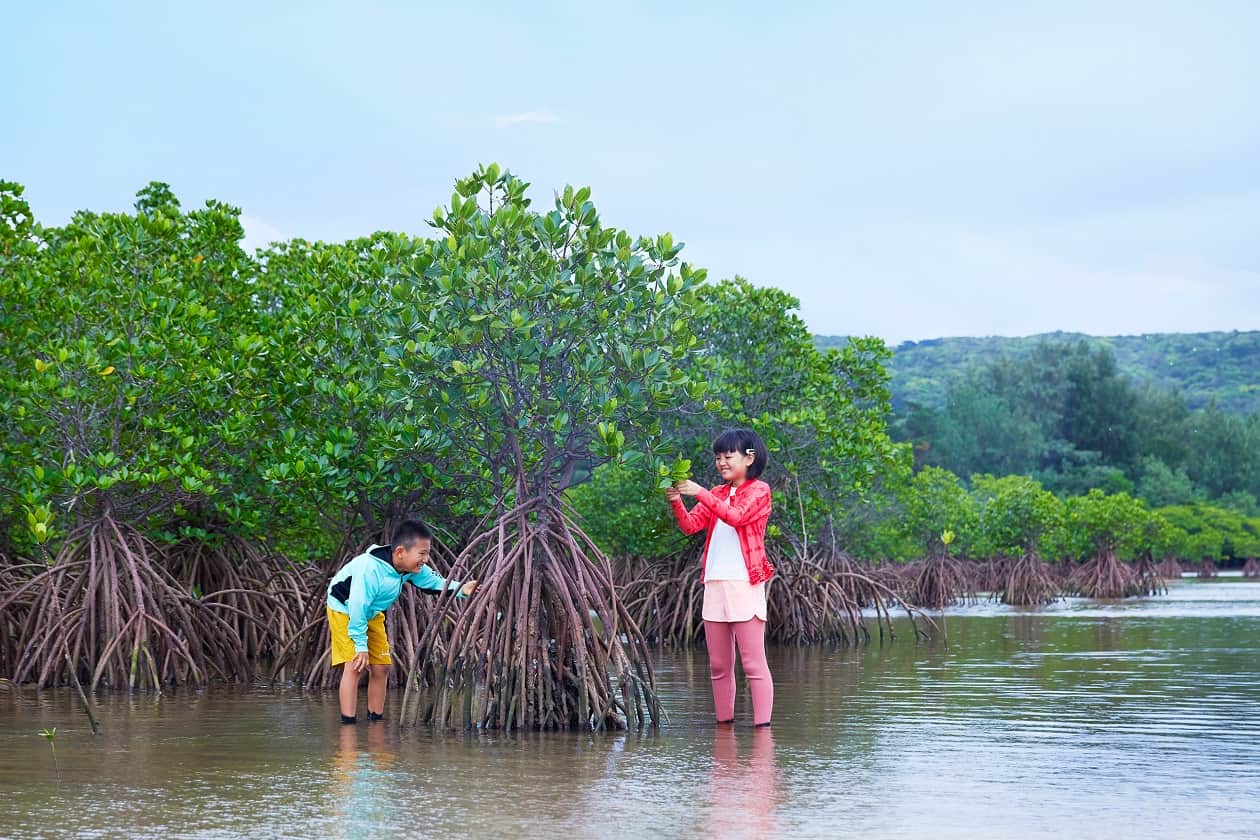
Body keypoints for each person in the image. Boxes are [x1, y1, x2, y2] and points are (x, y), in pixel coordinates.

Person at [666, 428, 775, 726]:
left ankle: (762, 732)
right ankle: (724, 730)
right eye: (718, 457)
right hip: (714, 584)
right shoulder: (716, 494)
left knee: (753, 664)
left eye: (728, 456)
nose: (722, 462)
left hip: (744, 583)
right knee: (718, 665)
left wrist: (698, 491)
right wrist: (677, 500)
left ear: (749, 457)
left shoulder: (759, 491)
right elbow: (690, 526)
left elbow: (736, 517)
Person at [326, 519, 478, 724]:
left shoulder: (408, 567)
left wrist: (462, 589)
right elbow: (357, 606)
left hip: (371, 612)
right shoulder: (369, 570)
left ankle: (375, 721)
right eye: (422, 553)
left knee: (381, 667)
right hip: (345, 609)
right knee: (355, 665)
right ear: (400, 552)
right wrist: (360, 645)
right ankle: (348, 726)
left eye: (427, 553)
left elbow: (434, 583)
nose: (426, 559)